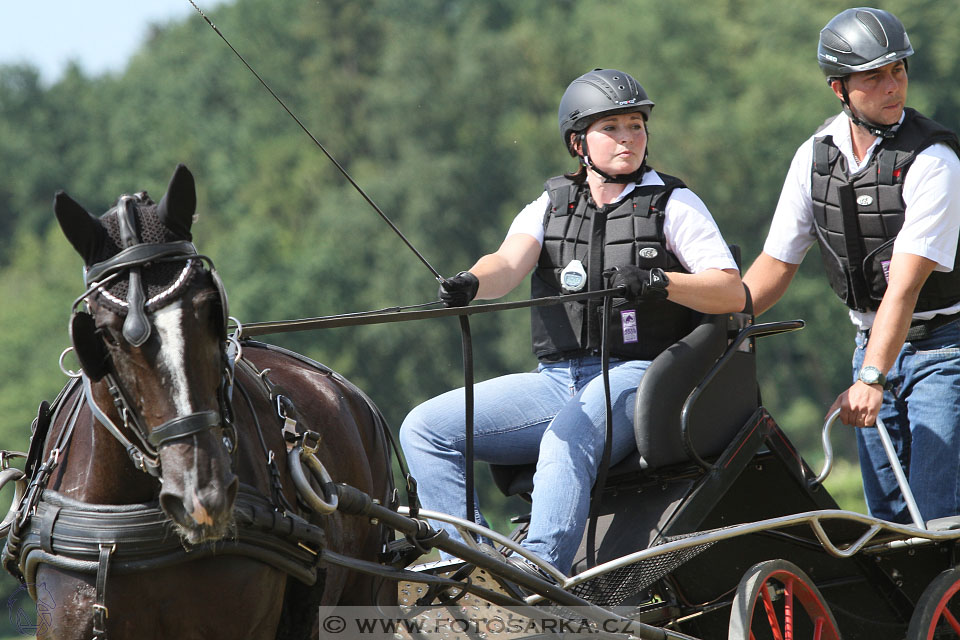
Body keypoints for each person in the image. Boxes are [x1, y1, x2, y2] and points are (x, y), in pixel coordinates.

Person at [399, 68, 744, 577]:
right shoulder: (550, 205)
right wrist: (470, 282)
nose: (628, 138)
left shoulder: (674, 203)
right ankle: (467, 561)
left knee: (565, 439)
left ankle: (539, 574)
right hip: (555, 381)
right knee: (425, 428)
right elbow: (508, 263)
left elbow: (730, 290)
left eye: (635, 125)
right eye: (613, 128)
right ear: (578, 142)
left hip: (637, 376)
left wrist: (659, 282)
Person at [742, 8, 960, 524]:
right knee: (886, 525)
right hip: (870, 346)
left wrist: (870, 377)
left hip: (945, 350)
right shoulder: (813, 158)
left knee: (937, 521)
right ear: (838, 88)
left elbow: (903, 290)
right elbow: (773, 267)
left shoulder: (935, 161)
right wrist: (716, 327)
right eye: (874, 76)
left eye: (898, 71)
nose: (893, 87)